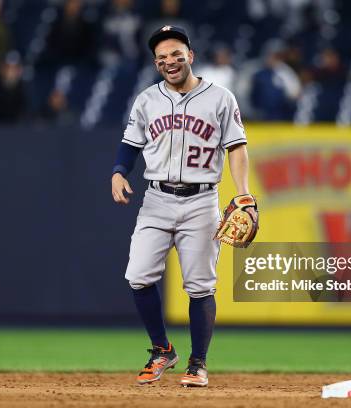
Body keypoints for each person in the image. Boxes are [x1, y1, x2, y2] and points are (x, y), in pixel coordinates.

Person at [111, 26, 254, 387]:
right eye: (161, 58)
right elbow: (130, 144)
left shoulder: (221, 98)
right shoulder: (146, 100)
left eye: (175, 54)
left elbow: (236, 147)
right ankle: (162, 350)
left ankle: (198, 363)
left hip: (202, 199)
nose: (169, 62)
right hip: (156, 198)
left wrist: (244, 193)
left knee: (200, 286)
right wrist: (118, 171)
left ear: (190, 55)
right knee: (138, 276)